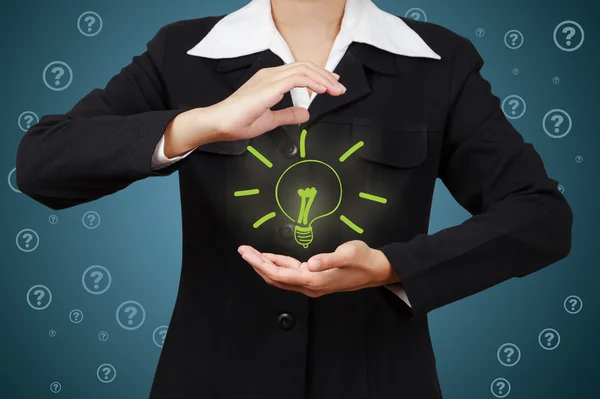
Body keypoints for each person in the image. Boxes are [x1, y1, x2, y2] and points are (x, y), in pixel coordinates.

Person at [16, 0, 573, 397]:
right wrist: (198, 124)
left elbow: (540, 215)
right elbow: (42, 164)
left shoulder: (438, 63)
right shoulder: (181, 53)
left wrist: (389, 267)